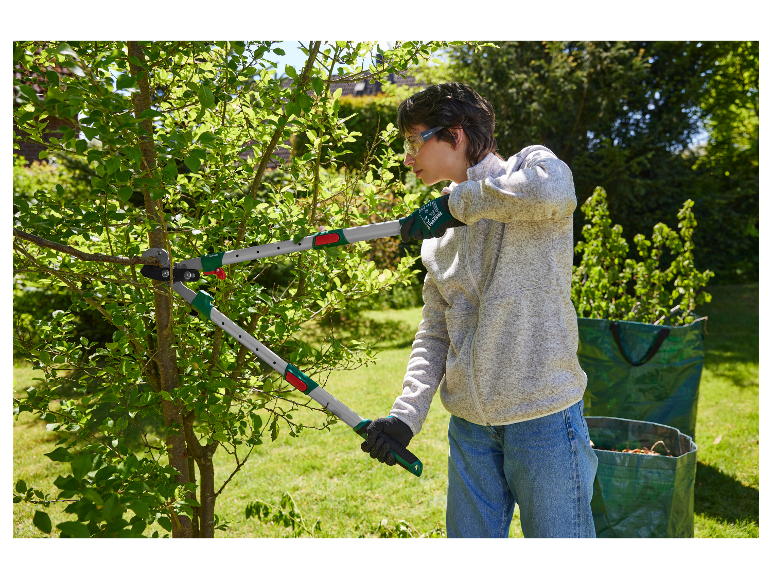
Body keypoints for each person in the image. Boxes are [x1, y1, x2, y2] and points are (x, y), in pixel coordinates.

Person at [359, 83, 598, 539]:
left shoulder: (531, 168)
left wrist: (457, 204)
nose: (407, 158)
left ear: (454, 134)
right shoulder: (438, 235)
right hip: (470, 428)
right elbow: (434, 332)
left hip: (543, 417)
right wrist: (406, 415)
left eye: (414, 141)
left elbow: (555, 194)